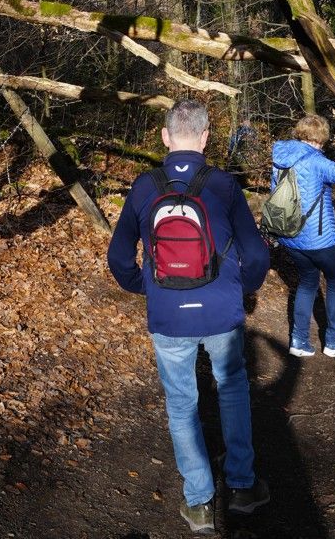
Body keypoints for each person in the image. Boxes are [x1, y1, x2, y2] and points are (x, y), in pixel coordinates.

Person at [108, 100, 271, 535]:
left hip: (168, 314)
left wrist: (144, 287)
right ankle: (240, 485)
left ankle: (199, 502)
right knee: (232, 387)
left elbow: (119, 256)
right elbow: (256, 253)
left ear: (165, 137)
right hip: (221, 308)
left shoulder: (145, 186)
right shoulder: (222, 186)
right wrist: (244, 286)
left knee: (181, 403)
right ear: (204, 139)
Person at [270, 113, 335, 358]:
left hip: (290, 237)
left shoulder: (280, 157)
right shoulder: (316, 162)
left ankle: (299, 340)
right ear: (321, 139)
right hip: (319, 239)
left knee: (307, 282)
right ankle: (334, 340)